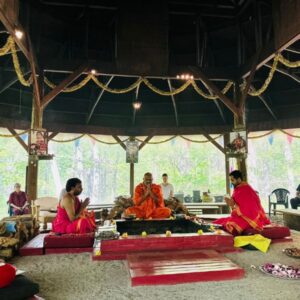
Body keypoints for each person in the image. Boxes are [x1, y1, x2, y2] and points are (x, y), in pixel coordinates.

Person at [213, 170, 270, 236]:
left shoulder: (246, 189)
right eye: (231, 180)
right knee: (219, 222)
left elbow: (249, 208)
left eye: (232, 180)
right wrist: (230, 202)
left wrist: (233, 204)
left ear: (239, 179)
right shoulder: (238, 189)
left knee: (230, 226)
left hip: (249, 217)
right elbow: (236, 203)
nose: (231, 182)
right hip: (240, 215)